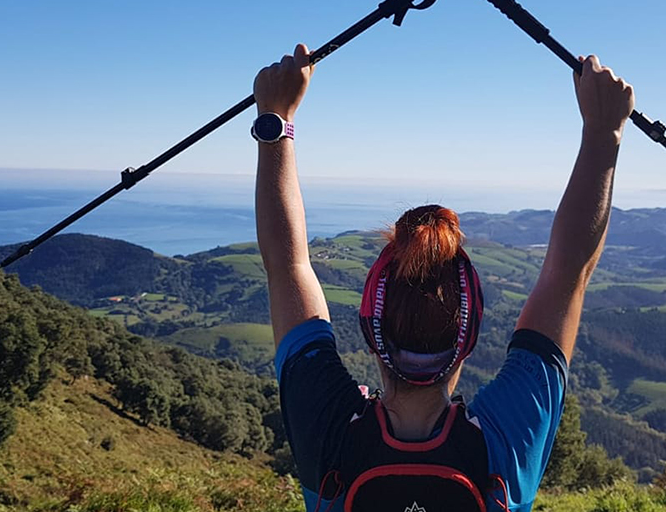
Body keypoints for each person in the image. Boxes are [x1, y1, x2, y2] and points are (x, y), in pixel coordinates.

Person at [254, 44, 634, 512]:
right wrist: (604, 131)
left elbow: (287, 265)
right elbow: (569, 274)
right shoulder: (503, 442)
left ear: (372, 334)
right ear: (468, 336)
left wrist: (277, 119)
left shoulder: (330, 430)